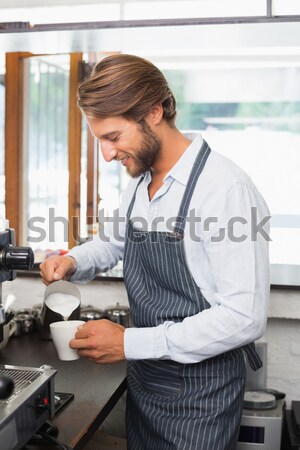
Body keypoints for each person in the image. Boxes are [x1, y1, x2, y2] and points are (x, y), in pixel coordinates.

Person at [40, 53, 270, 450]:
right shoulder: (141, 180)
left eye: (113, 138)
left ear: (153, 112)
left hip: (201, 400)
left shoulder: (225, 190)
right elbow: (114, 241)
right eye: (100, 141)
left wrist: (129, 343)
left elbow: (243, 318)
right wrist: (74, 260)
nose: (107, 155)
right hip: (147, 386)